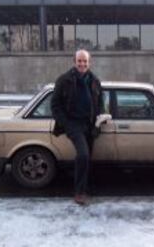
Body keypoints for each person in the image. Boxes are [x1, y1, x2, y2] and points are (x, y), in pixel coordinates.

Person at [51, 49, 103, 205]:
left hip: (90, 124)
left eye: (85, 61)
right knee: (83, 155)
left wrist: (100, 118)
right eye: (79, 61)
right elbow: (55, 105)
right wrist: (66, 123)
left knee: (88, 158)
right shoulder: (64, 80)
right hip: (73, 124)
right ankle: (79, 192)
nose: (82, 64)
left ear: (89, 62)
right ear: (74, 62)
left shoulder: (94, 80)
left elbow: (100, 102)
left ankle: (85, 187)